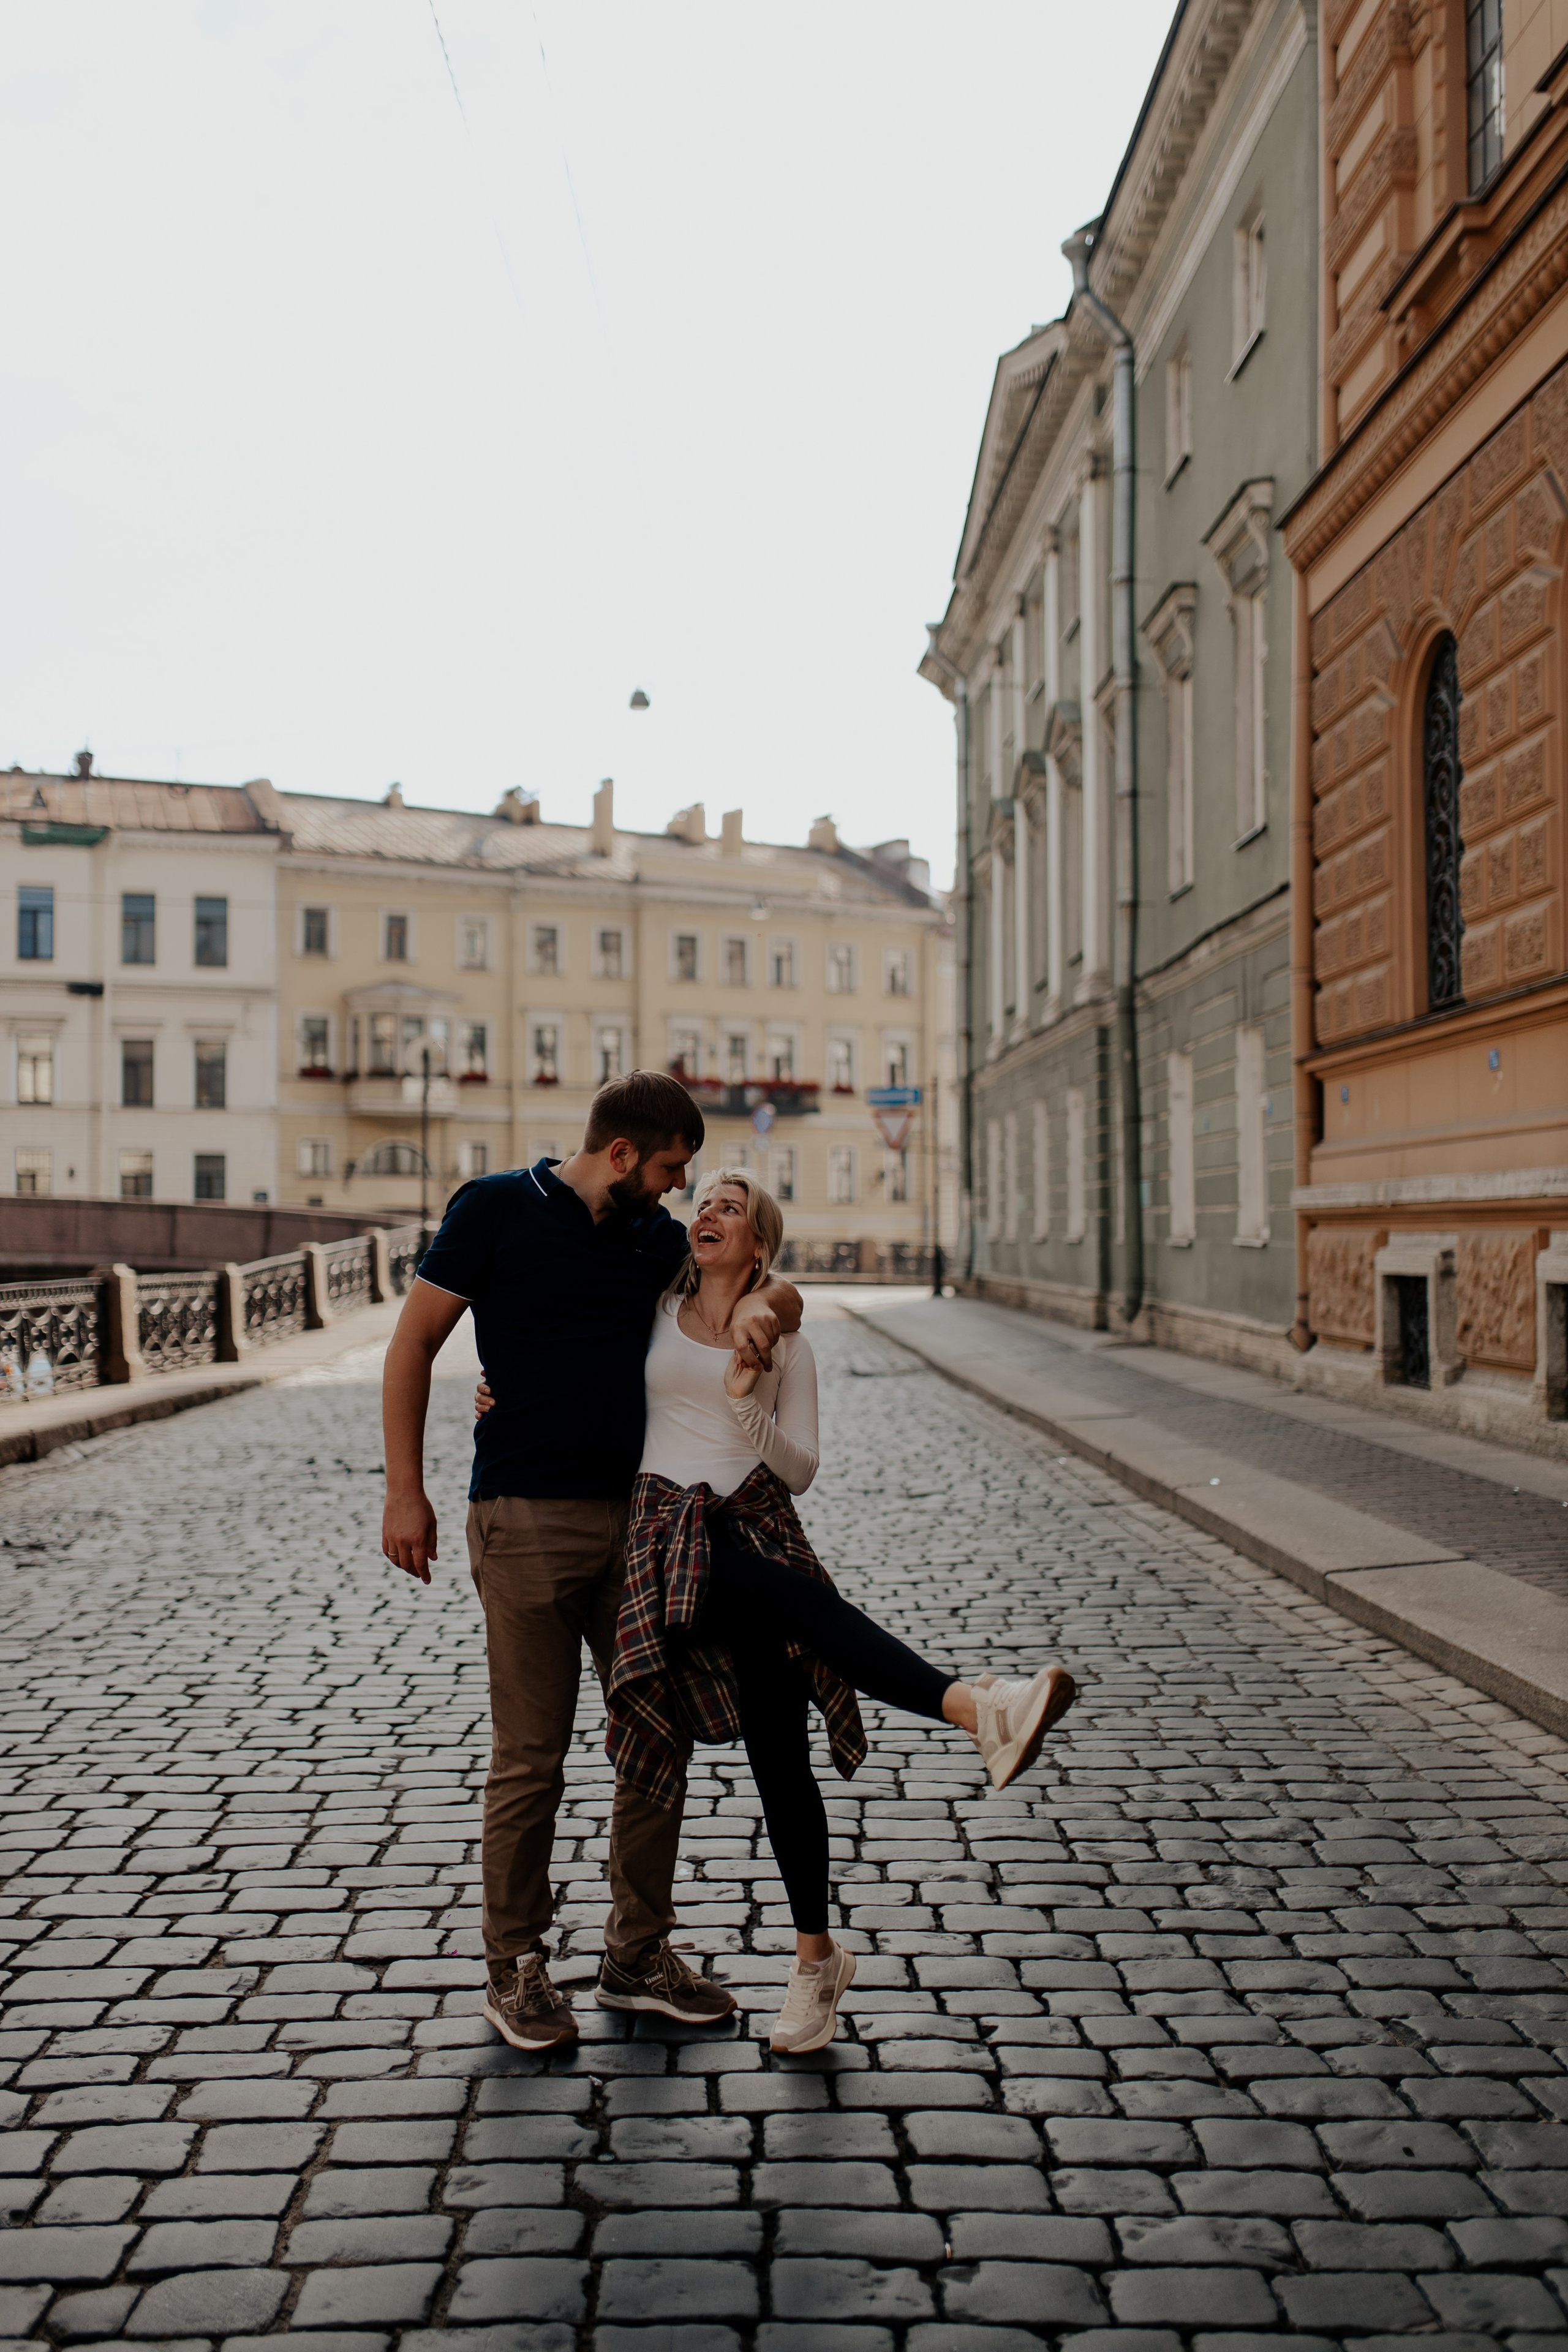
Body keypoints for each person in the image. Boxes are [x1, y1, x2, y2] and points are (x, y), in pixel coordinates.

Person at [478, 1166, 1079, 2056]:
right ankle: (972, 1705)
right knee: (789, 1605)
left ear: (758, 1239)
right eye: (704, 1201)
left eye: (731, 1206)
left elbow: (798, 1469)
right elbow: (577, 1346)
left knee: (779, 1751)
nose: (708, 1211)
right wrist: (508, 1389)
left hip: (755, 1528)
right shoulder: (657, 1299)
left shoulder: (788, 1340)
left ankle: (813, 1962)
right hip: (666, 1535)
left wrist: (744, 1399)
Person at [380, 1070, 804, 2055]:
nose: (674, 1190)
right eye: (666, 1169)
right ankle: (515, 1964)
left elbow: (760, 1274)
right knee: (532, 1757)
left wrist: (770, 1308)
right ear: (620, 1155)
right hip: (522, 1520)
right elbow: (412, 1346)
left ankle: (635, 1954)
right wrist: (407, 1490)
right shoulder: (491, 1210)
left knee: (656, 1737)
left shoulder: (655, 1240)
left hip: (640, 1530)